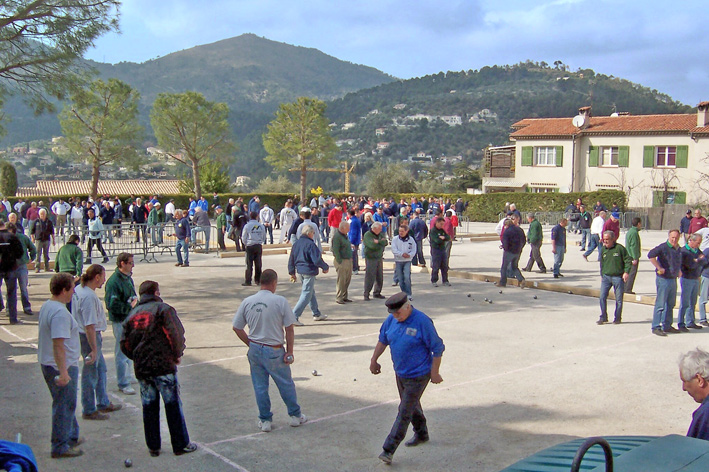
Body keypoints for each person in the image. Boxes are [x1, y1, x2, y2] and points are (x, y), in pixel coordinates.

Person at [121, 280, 198, 457]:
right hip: (162, 365)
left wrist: (136, 357)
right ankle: (180, 444)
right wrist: (176, 354)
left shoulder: (132, 314)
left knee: (149, 405)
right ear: (156, 292)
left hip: (143, 367)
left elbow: (124, 343)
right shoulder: (163, 310)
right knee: (172, 404)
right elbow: (176, 333)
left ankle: (153, 446)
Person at [370, 292, 444, 464]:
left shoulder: (422, 321)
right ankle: (422, 433)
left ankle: (388, 449)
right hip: (401, 372)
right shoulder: (391, 320)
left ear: (408, 306)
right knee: (411, 405)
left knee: (404, 411)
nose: (396, 317)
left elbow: (437, 347)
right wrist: (374, 359)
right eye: (393, 314)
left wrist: (435, 372)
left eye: (398, 313)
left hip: (419, 375)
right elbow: (383, 340)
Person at [232, 269, 307, 432]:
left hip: (255, 349)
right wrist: (290, 351)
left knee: (260, 386)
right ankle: (295, 415)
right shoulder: (280, 301)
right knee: (285, 383)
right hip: (274, 350)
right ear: (274, 283)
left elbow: (237, 327)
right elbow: (289, 328)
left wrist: (250, 343)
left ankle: (265, 420)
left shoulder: (247, 301)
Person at [38, 273, 84, 458]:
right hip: (59, 365)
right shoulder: (60, 313)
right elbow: (58, 344)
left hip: (51, 363)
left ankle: (70, 435)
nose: (74, 291)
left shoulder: (49, 306)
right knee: (64, 405)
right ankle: (60, 445)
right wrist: (64, 372)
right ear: (64, 290)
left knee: (66, 404)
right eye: (72, 288)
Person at [73, 265, 122, 420]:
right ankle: (88, 408)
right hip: (89, 336)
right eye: (103, 276)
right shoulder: (88, 296)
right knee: (91, 372)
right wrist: (94, 348)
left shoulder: (81, 291)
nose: (104, 280)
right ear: (97, 277)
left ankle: (102, 401)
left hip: (86, 334)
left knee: (101, 369)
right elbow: (89, 325)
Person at [105, 253, 137, 394]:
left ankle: (128, 376)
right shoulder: (114, 282)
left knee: (129, 348)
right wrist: (129, 306)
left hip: (129, 318)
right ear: (122, 264)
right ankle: (123, 383)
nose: (133, 265)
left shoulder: (127, 278)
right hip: (120, 320)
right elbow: (112, 304)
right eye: (130, 263)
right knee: (121, 351)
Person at [288, 224, 329, 324]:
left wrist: (292, 272)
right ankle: (294, 316)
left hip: (300, 271)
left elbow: (291, 259)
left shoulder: (296, 244)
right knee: (306, 294)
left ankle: (316, 313)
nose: (313, 235)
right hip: (309, 271)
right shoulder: (311, 245)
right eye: (313, 233)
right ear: (309, 233)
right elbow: (316, 259)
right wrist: (325, 267)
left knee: (311, 292)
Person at [648, 229, 682, 336]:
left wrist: (680, 270)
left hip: (673, 279)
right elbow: (650, 255)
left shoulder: (678, 249)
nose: (674, 240)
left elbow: (679, 261)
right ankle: (656, 326)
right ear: (668, 237)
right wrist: (659, 267)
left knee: (670, 304)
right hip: (663, 279)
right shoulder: (663, 247)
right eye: (672, 237)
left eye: (676, 238)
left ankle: (667, 325)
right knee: (660, 304)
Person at [596, 231, 632, 325]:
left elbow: (628, 260)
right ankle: (603, 317)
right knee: (602, 297)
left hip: (618, 277)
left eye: (607, 239)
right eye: (604, 239)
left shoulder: (620, 249)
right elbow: (602, 264)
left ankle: (617, 318)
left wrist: (626, 272)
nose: (605, 241)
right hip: (606, 277)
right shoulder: (603, 249)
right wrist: (602, 274)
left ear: (613, 239)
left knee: (619, 299)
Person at [677, 233, 708, 331]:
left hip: (695, 278)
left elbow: (705, 261)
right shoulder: (684, 251)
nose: (699, 245)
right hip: (687, 278)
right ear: (692, 241)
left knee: (692, 302)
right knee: (685, 302)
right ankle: (681, 323)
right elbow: (688, 265)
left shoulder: (696, 250)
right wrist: (698, 260)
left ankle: (690, 321)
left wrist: (696, 261)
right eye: (698, 243)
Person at [679, 348, 709, 440]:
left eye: (685, 381)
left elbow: (695, 449)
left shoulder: (705, 415)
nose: (683, 388)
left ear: (699, 380)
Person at [8, 222, 35, 316]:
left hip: (21, 266)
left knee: (23, 288)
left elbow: (32, 248)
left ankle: (26, 307)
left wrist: (31, 258)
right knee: (11, 289)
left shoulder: (22, 238)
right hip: (10, 266)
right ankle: (9, 309)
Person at [0, 221, 24, 324]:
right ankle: (13, 318)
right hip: (11, 267)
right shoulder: (12, 237)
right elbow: (20, 253)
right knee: (11, 293)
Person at [498, 214, 526, 288]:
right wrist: (520, 248)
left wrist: (504, 247)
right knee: (514, 267)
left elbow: (505, 242)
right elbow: (524, 240)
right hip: (518, 251)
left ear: (507, 225)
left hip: (509, 251)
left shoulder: (507, 231)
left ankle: (502, 283)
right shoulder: (520, 230)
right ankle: (521, 279)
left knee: (504, 267)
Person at [363, 221, 388, 300]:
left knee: (379, 276)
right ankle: (366, 293)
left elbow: (386, 242)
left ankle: (377, 292)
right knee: (370, 276)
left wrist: (379, 242)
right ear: (374, 228)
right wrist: (380, 244)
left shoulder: (380, 235)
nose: (381, 230)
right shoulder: (367, 235)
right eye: (379, 229)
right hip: (371, 258)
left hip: (379, 257)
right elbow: (371, 245)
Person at [391, 224, 417, 300]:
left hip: (407, 261)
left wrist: (409, 255)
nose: (401, 233)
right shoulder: (395, 239)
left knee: (406, 277)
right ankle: (404, 293)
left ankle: (409, 294)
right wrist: (401, 254)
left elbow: (414, 249)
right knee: (400, 278)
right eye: (399, 231)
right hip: (398, 260)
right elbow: (394, 249)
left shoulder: (411, 240)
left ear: (406, 231)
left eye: (402, 231)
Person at [332, 220, 353, 305]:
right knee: (341, 280)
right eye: (348, 228)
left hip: (348, 260)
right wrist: (339, 260)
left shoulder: (345, 236)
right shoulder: (337, 237)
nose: (349, 229)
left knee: (347, 279)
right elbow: (335, 250)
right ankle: (339, 297)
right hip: (341, 260)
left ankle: (344, 296)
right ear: (342, 228)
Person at [242, 211, 265, 286]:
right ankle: (258, 280)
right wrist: (260, 241)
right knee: (258, 264)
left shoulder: (247, 226)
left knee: (249, 264)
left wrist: (246, 243)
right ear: (257, 216)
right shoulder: (261, 226)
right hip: (258, 245)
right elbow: (264, 236)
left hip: (250, 245)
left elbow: (244, 237)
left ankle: (248, 281)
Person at [429, 217, 451, 287]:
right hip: (436, 249)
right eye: (441, 224)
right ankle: (434, 280)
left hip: (442, 249)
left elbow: (448, 237)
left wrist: (443, 237)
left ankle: (445, 280)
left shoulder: (442, 230)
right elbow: (436, 240)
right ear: (437, 223)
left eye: (443, 224)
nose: (442, 226)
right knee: (436, 266)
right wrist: (441, 239)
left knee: (444, 266)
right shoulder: (433, 231)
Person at [33, 208, 55, 273]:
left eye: (43, 214)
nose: (42, 215)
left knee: (46, 254)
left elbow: (52, 232)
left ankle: (47, 267)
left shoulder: (49, 222)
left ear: (45, 214)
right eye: (41, 214)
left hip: (46, 240)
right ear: (39, 214)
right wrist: (32, 239)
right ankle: (37, 268)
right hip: (38, 240)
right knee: (38, 254)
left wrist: (53, 240)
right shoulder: (36, 221)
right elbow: (32, 231)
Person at [624, 217, 642, 294]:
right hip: (632, 257)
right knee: (632, 274)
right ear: (638, 224)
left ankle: (625, 288)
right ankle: (628, 289)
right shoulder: (634, 233)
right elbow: (633, 246)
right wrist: (635, 258)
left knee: (628, 273)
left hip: (628, 255)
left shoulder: (630, 231)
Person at [348, 208, 362, 275]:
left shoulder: (353, 221)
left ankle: (354, 268)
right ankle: (355, 267)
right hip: (355, 240)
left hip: (353, 240)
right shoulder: (355, 220)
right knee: (354, 255)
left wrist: (351, 241)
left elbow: (353, 232)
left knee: (353, 255)